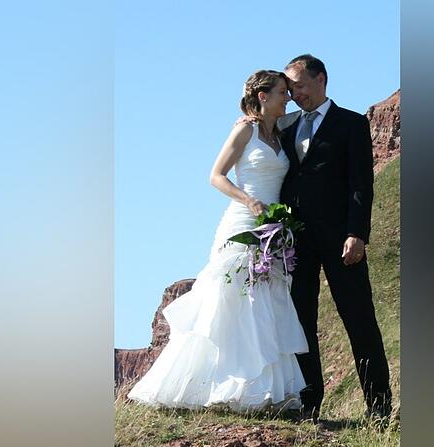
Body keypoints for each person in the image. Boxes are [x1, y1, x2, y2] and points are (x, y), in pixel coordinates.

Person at [127, 70, 308, 412]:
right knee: (233, 299)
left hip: (273, 228)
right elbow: (215, 176)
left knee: (265, 300)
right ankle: (217, 387)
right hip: (243, 220)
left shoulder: (280, 134)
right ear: (263, 96)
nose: (289, 97)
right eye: (283, 92)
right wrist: (248, 201)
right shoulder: (245, 130)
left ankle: (265, 392)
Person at [279, 54, 393, 423]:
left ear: (321, 79)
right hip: (298, 243)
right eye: (290, 88)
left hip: (343, 241)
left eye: (299, 85)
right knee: (301, 321)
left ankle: (379, 408)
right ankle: (309, 404)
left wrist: (357, 233)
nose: (295, 94)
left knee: (359, 319)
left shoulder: (351, 124)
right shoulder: (286, 126)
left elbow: (362, 184)